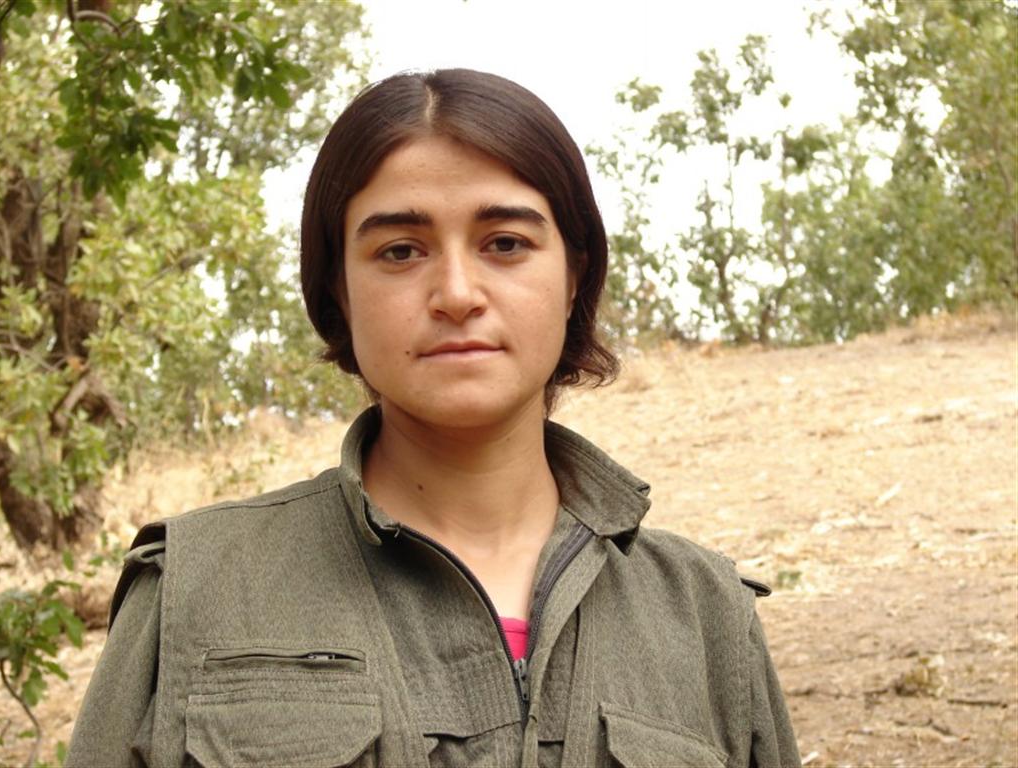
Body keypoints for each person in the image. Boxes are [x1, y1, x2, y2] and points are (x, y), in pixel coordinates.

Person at [67, 68, 800, 768]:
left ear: (575, 275)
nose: (456, 293)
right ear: (338, 290)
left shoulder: (705, 616)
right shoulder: (195, 588)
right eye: (400, 251)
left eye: (505, 244)